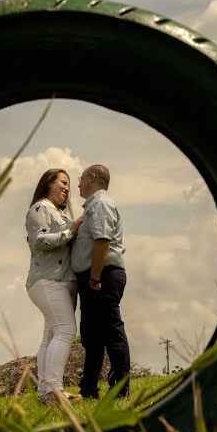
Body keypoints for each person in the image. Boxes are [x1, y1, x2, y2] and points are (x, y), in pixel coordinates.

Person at [71, 164, 131, 399]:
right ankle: (88, 389)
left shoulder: (101, 204)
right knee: (92, 336)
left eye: (80, 178)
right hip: (94, 276)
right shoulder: (93, 206)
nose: (78, 183)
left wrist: (95, 277)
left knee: (111, 330)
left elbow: (102, 242)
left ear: (92, 177)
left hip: (102, 275)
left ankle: (120, 389)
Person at [25, 168, 84, 403]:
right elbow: (40, 240)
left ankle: (45, 394)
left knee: (50, 337)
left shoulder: (56, 212)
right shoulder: (40, 208)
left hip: (59, 282)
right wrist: (71, 231)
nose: (67, 188)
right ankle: (54, 391)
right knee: (66, 331)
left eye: (69, 184)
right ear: (48, 182)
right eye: (63, 182)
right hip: (49, 281)